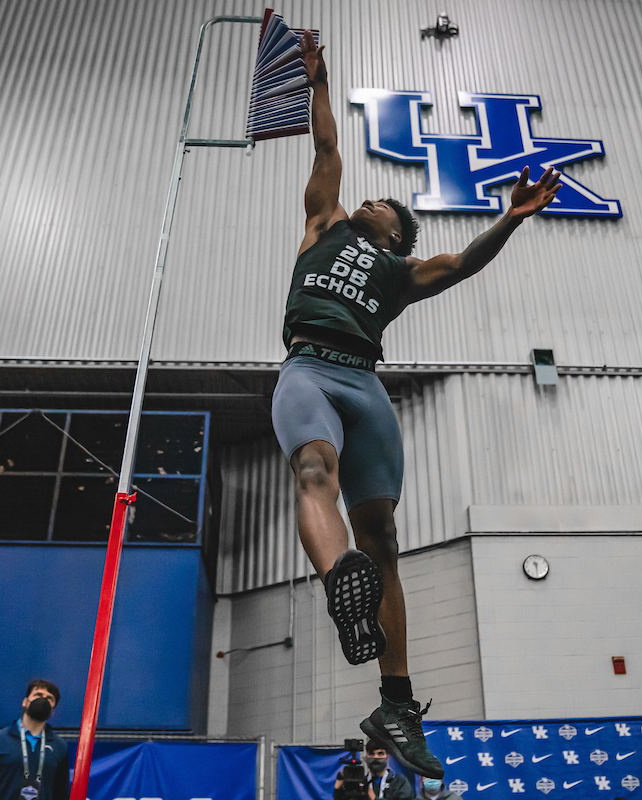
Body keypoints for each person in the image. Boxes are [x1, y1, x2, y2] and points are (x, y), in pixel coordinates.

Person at [272, 30, 563, 780]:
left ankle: (396, 704)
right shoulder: (324, 223)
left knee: (386, 538)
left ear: (398, 234)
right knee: (313, 470)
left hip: (364, 385)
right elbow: (327, 146)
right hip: (309, 369)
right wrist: (318, 81)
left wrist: (512, 217)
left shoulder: (401, 272)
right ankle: (341, 584)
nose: (369, 200)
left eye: (385, 206)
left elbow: (462, 263)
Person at [0, 679, 70, 800]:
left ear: (53, 710)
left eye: (49, 698)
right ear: (25, 702)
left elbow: (61, 794)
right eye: (38, 695)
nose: (43, 700)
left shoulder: (59, 747)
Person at [335, 741, 415, 800]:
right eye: (372, 754)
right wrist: (338, 787)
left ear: (387, 757)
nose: (376, 758)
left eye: (380, 754)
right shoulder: (362, 783)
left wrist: (373, 798)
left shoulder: (399, 782)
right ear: (366, 757)